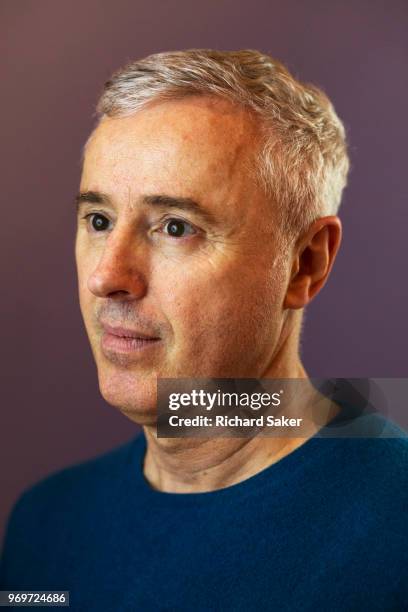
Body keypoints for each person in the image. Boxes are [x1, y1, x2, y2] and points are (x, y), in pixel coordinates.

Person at [1, 49, 407, 611]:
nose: (107, 277)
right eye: (98, 220)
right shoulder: (42, 527)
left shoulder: (396, 531)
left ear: (306, 263)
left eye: (175, 227)